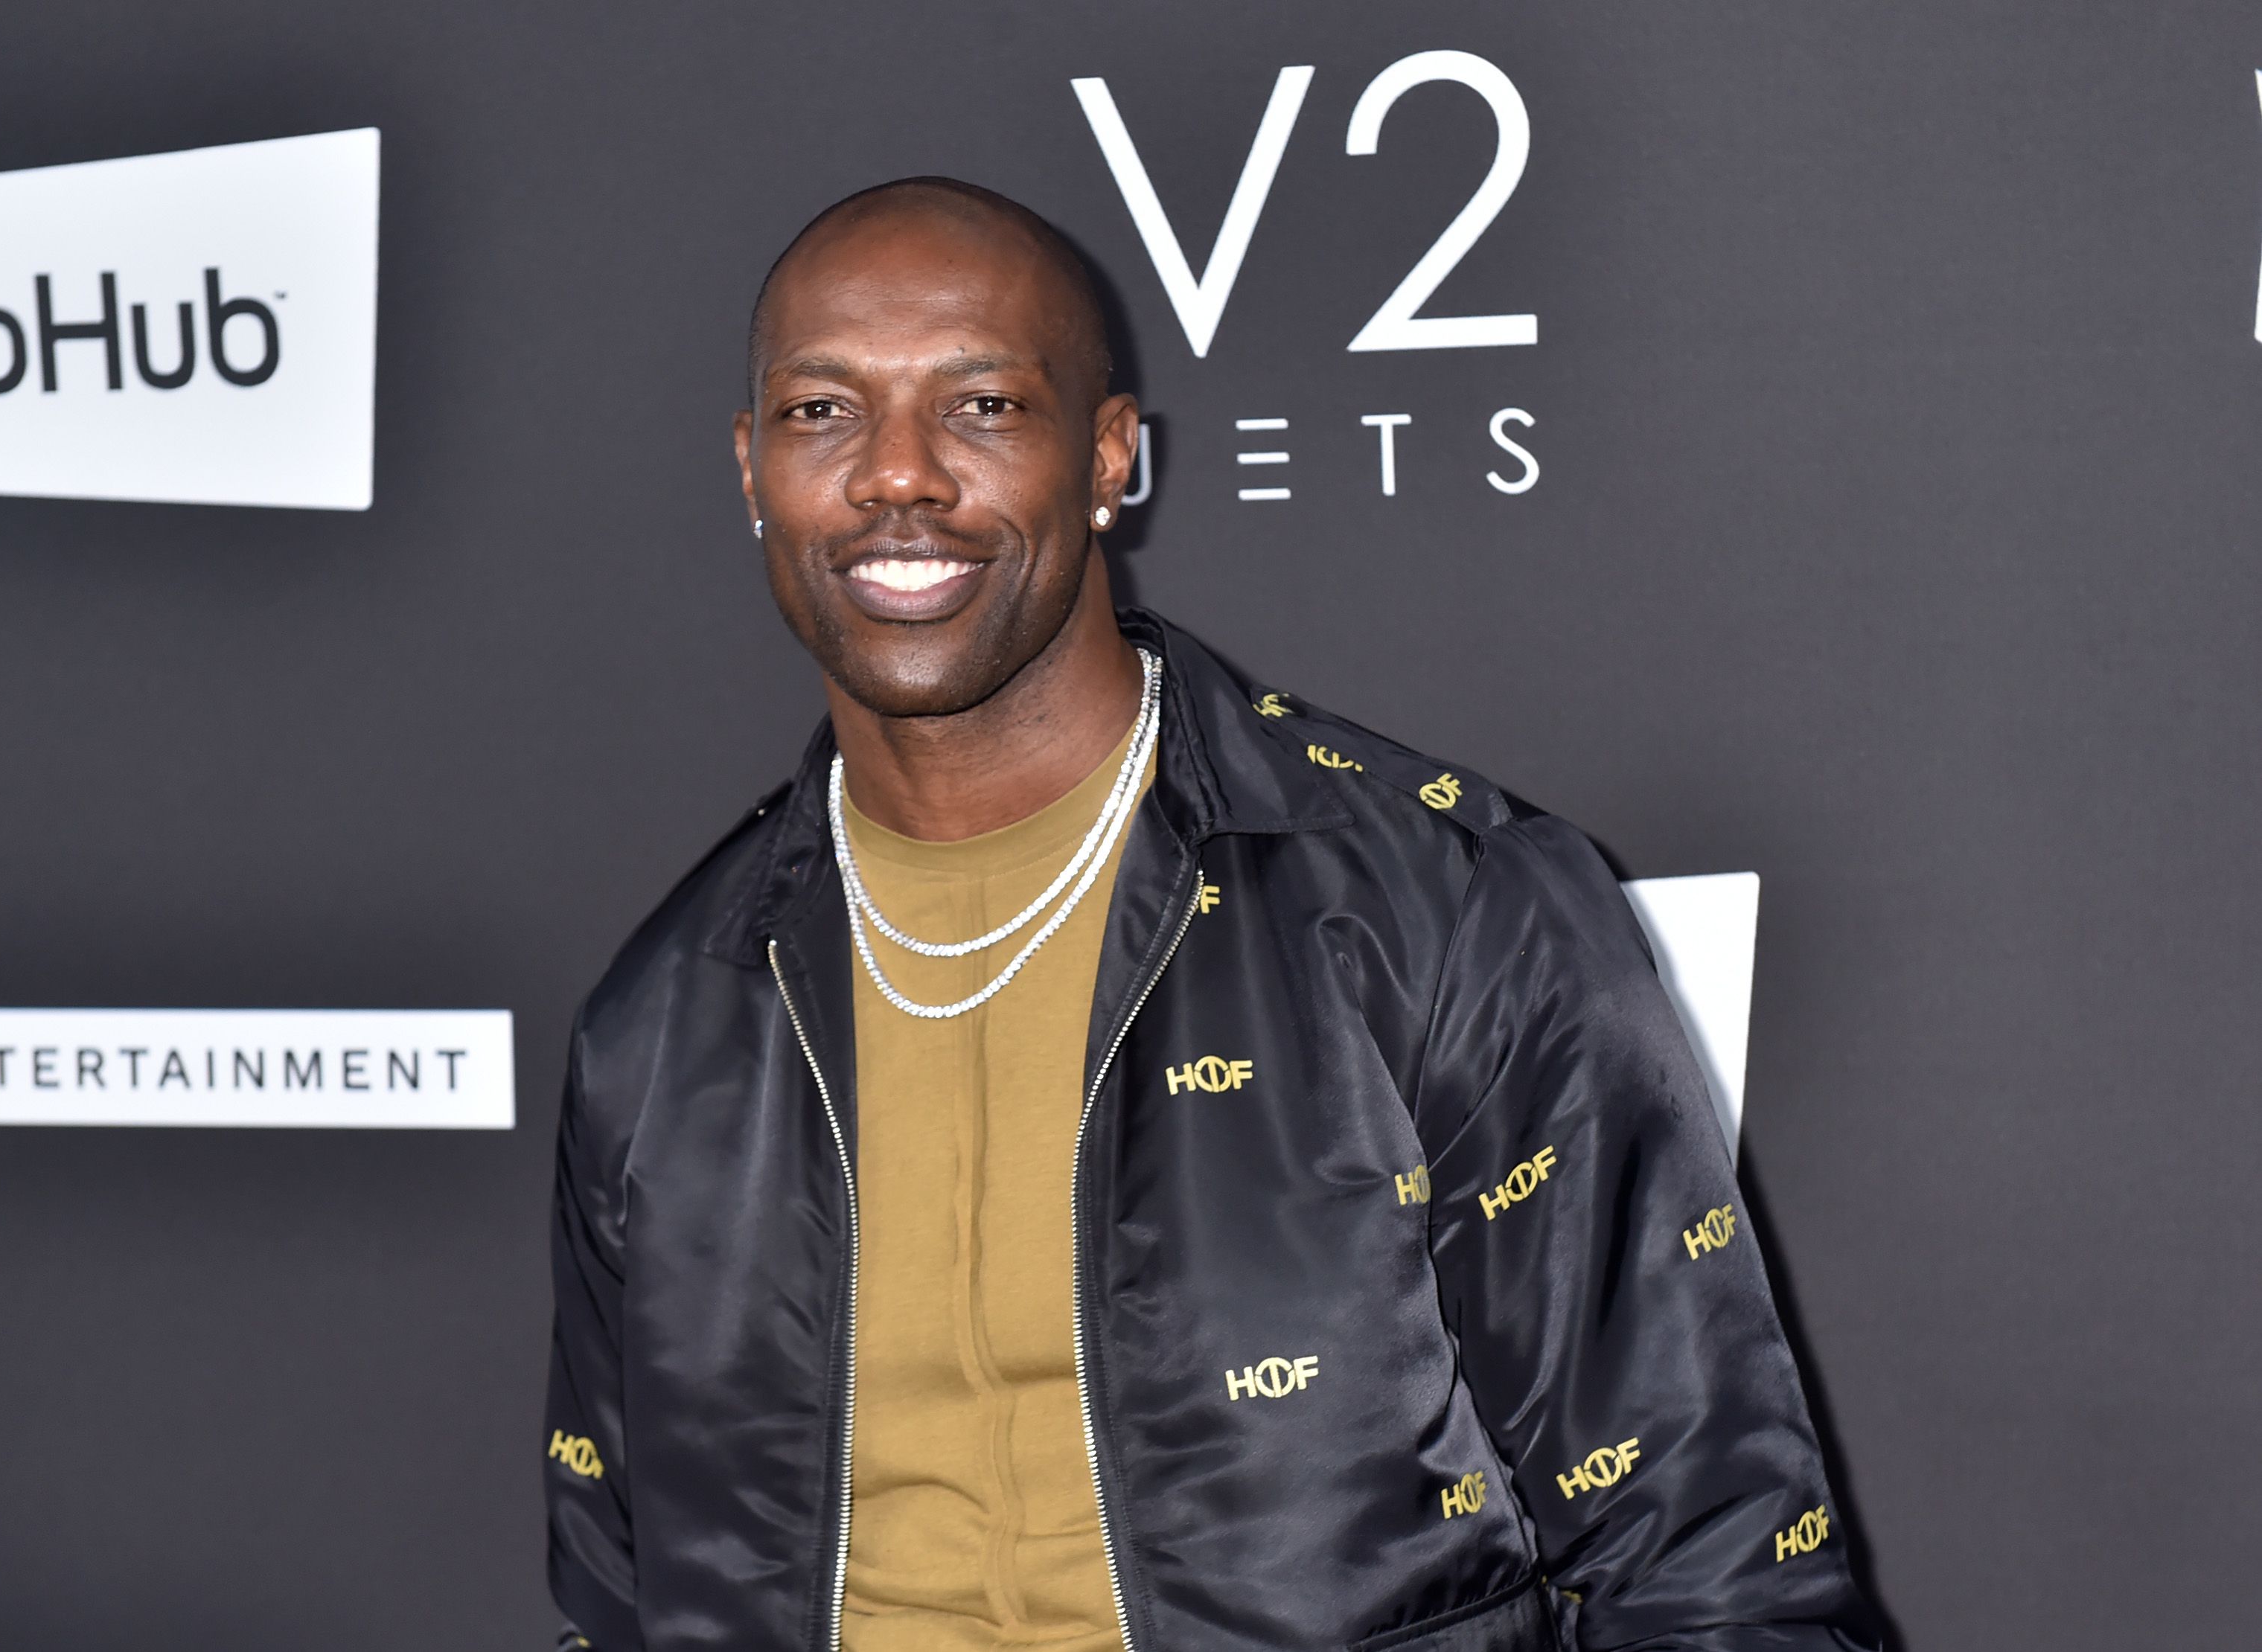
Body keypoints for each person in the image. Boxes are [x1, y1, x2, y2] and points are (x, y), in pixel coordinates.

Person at [543, 176, 1878, 1652]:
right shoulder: (666, 1016)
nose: (897, 478)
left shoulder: (1447, 915)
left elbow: (1713, 1568)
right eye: (821, 413)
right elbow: (616, 1602)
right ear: (750, 471)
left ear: (1109, 456)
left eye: (982, 406)